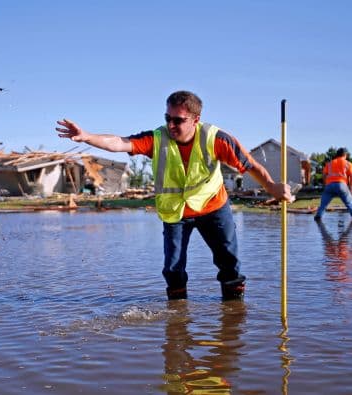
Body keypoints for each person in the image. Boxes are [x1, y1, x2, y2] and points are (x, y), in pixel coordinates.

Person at [55, 91, 292, 300]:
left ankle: (233, 313)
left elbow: (249, 166)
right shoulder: (157, 139)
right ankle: (178, 320)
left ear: (195, 120)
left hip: (213, 208)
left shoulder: (216, 139)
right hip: (176, 213)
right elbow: (120, 142)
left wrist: (272, 187)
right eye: (167, 118)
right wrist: (87, 136)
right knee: (173, 268)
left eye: (178, 120)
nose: (171, 125)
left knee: (228, 262)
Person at [314, 147, 352, 221]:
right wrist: (350, 188)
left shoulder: (330, 163)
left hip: (330, 185)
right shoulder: (348, 164)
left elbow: (324, 175)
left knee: (323, 205)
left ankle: (318, 217)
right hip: (342, 185)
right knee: (349, 203)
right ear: (345, 155)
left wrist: (326, 184)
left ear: (337, 155)